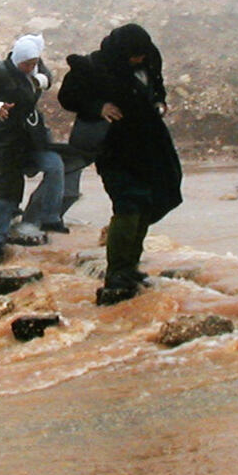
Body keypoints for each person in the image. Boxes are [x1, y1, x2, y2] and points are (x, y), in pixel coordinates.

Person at [59, 24, 183, 304]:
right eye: (134, 57)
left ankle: (130, 267)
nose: (139, 61)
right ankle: (116, 273)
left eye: (141, 56)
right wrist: (98, 107)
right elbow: (67, 97)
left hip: (150, 145)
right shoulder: (97, 66)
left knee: (150, 201)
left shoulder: (150, 57)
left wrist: (160, 101)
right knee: (128, 204)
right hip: (114, 148)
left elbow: (156, 84)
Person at [0, 34, 64, 265]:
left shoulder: (35, 65)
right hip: (5, 140)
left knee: (55, 166)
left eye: (33, 64)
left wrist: (40, 79)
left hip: (32, 136)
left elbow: (48, 78)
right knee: (8, 189)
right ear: (18, 60)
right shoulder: (0, 72)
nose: (30, 68)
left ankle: (49, 217)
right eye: (27, 65)